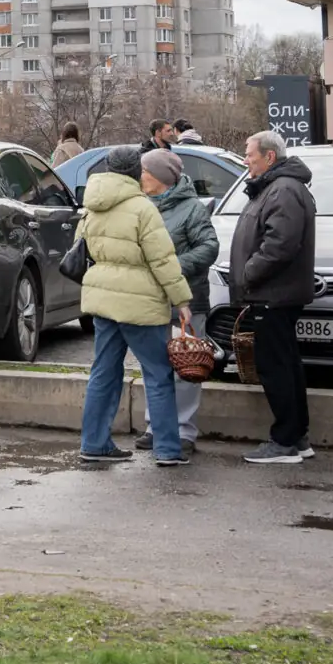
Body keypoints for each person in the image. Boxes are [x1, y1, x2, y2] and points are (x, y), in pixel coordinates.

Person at [77, 145, 193, 465]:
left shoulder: (93, 203)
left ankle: (94, 443)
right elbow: (163, 260)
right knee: (157, 374)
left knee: (103, 372)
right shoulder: (142, 208)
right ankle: (168, 449)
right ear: (134, 172)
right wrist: (180, 299)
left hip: (103, 299)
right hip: (141, 304)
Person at [231, 129, 317, 466]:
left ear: (269, 157)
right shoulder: (276, 187)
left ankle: (284, 441)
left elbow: (280, 245)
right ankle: (297, 436)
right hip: (274, 292)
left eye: (250, 154)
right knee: (286, 364)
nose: (245, 160)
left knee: (275, 367)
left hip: (274, 293)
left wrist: (249, 272)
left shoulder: (282, 190)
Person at [138, 149, 217, 454]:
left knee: (186, 368)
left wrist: (173, 267)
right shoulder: (142, 206)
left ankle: (183, 430)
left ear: (159, 177)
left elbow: (209, 247)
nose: (140, 175)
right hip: (150, 301)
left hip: (188, 300)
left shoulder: (192, 209)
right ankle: (155, 425)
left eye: (145, 171)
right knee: (154, 366)